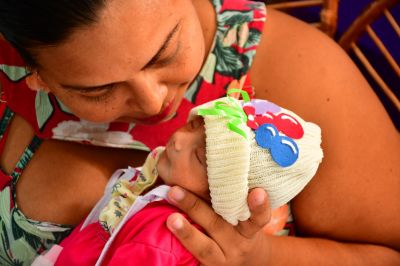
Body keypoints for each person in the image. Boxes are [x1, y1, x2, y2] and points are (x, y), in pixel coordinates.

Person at [0, 0, 398, 265]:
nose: (154, 103)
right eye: (97, 90)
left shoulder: (305, 74)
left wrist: (260, 255)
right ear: (34, 73)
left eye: (166, 52)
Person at [33, 92, 323, 265]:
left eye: (199, 156)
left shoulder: (166, 238)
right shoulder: (156, 191)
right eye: (194, 125)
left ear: (222, 197)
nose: (178, 141)